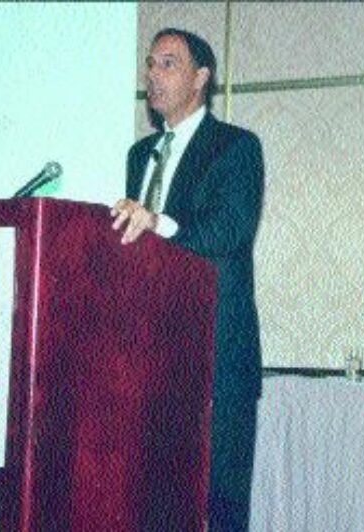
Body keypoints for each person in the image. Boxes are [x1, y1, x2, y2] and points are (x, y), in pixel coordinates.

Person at [110, 28, 264, 531]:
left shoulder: (236, 148)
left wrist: (158, 223)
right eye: (150, 63)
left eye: (168, 63)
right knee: (156, 507)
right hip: (151, 360)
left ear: (201, 78)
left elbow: (229, 230)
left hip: (218, 359)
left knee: (216, 510)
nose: (153, 74)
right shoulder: (140, 155)